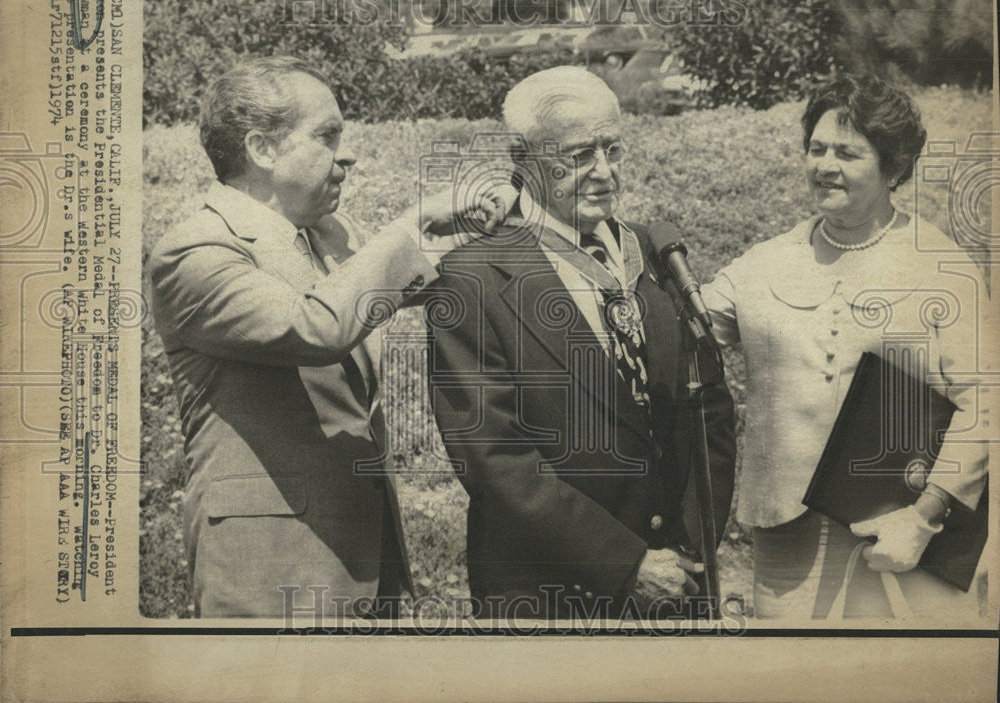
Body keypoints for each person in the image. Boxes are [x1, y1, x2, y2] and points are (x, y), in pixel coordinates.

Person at [149, 56, 508, 618]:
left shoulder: (329, 235)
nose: (348, 154)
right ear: (262, 149)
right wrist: (413, 223)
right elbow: (316, 326)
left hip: (365, 551)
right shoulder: (193, 252)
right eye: (327, 136)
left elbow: (406, 279)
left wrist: (474, 233)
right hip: (268, 570)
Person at [425, 66, 737, 619]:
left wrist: (690, 544)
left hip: (678, 585)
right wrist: (626, 564)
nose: (603, 173)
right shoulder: (472, 278)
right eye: (577, 155)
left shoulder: (658, 257)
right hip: (553, 595)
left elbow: (709, 408)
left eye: (613, 149)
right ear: (523, 161)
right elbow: (495, 460)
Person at [701, 74, 990, 619]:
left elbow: (986, 403)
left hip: (906, 542)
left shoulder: (944, 268)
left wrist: (925, 515)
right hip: (786, 546)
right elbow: (671, 325)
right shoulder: (764, 262)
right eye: (816, 148)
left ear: (894, 166)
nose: (824, 165)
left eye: (848, 152)